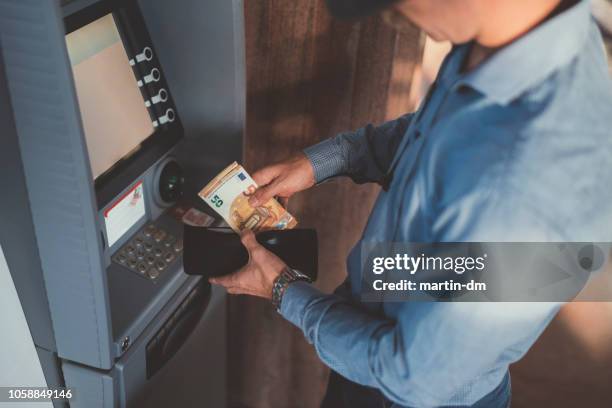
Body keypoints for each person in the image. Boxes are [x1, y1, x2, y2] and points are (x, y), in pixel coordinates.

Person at [210, 0, 612, 406]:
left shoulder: (531, 185)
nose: (389, 16)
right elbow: (437, 138)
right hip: (368, 340)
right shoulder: (515, 40)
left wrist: (282, 289)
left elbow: (410, 376)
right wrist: (326, 160)